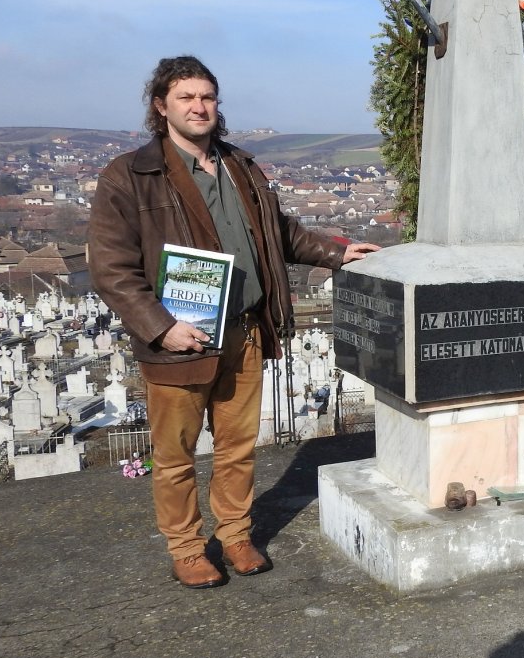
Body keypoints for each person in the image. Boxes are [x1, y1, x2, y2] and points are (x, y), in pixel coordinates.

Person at [88, 56, 378, 588]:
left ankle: (236, 535)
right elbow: (111, 268)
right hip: (180, 337)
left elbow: (281, 232)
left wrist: (336, 251)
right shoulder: (131, 175)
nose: (199, 107)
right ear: (161, 106)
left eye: (207, 97)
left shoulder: (240, 165)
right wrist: (160, 325)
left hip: (244, 329)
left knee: (236, 447)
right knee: (175, 455)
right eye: (186, 98)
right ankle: (187, 547)